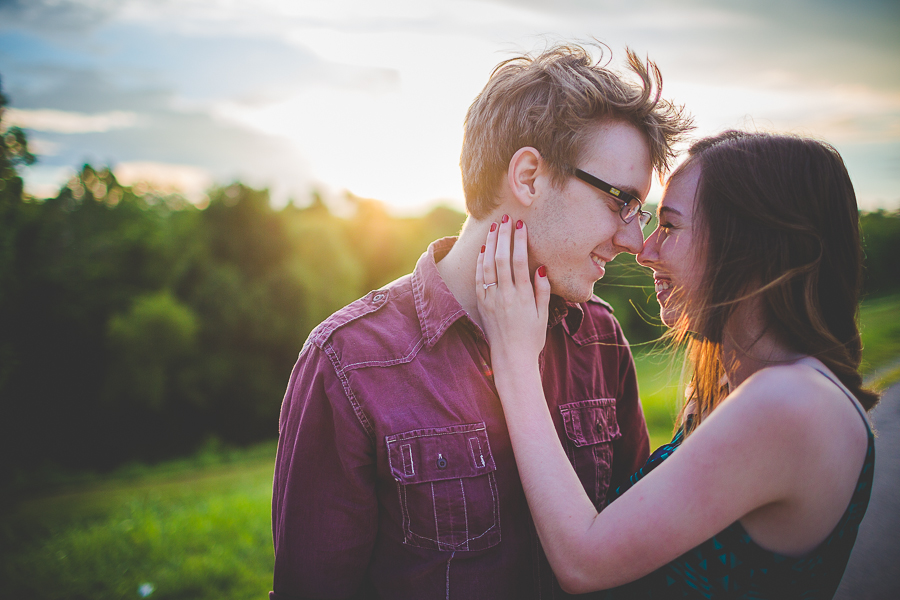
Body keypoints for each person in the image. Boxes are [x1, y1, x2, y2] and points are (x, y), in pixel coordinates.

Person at [270, 43, 693, 599]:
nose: (634, 240)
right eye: (621, 203)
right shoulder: (349, 362)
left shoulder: (599, 337)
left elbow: (632, 557)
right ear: (529, 177)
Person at [476, 130, 879, 598]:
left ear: (751, 245)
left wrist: (514, 360)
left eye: (669, 227)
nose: (644, 252)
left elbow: (583, 562)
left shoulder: (788, 403)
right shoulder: (742, 385)